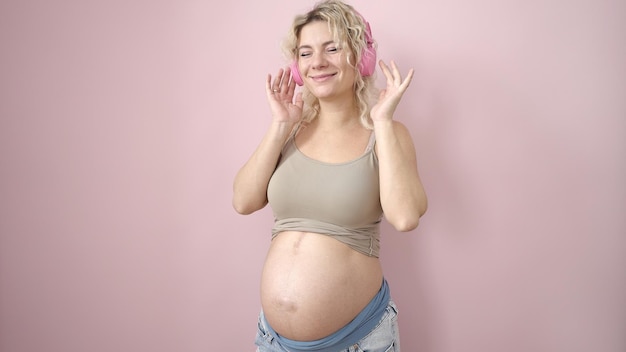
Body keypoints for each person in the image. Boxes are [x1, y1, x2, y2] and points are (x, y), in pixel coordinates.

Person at [232, 0, 427, 350]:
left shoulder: (386, 133)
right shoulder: (291, 130)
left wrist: (382, 121)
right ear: (296, 66)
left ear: (361, 58)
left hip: (358, 340)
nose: (317, 63)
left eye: (332, 48)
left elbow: (405, 216)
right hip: (272, 341)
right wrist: (279, 124)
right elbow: (243, 201)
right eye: (305, 53)